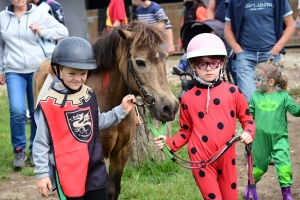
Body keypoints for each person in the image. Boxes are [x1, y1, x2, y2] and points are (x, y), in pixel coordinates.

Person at [33, 37, 136, 199]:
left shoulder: (88, 95)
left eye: (83, 73)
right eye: (72, 73)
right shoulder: (48, 104)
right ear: (58, 70)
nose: (78, 78)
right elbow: (40, 143)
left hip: (94, 169)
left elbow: (98, 122)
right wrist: (42, 173)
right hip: (67, 173)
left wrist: (121, 110)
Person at [154, 33, 255, 199]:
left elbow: (248, 120)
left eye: (213, 63)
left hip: (227, 158)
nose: (208, 68)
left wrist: (248, 133)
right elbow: (185, 131)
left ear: (221, 63)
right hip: (200, 160)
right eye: (202, 64)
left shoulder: (233, 92)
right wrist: (170, 142)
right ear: (193, 66)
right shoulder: (187, 97)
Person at [0, 0, 68, 170]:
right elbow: (1, 47)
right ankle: (19, 151)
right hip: (13, 70)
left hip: (38, 70)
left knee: (38, 110)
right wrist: (1, 69)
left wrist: (42, 31)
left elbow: (63, 31)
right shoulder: (2, 17)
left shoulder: (39, 13)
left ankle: (35, 151)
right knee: (17, 110)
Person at [244, 56, 300, 200]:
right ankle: (250, 187)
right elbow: (249, 117)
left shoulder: (284, 97)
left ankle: (286, 194)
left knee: (284, 167)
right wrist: (244, 131)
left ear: (270, 82)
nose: (255, 82)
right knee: (259, 168)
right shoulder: (255, 97)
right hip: (260, 141)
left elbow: (295, 111)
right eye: (254, 79)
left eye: (258, 79)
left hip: (279, 138)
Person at [224, 0, 295, 103]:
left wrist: (276, 49)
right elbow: (228, 29)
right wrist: (238, 50)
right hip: (245, 57)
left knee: (273, 100)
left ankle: (271, 119)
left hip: (270, 56)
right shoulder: (235, 2)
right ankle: (256, 119)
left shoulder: (279, 1)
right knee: (250, 99)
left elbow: (290, 25)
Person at [207, 0, 237, 85]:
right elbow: (211, 9)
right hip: (219, 29)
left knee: (234, 64)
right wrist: (212, 26)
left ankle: (238, 90)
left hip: (233, 30)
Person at [173, 0, 207, 73]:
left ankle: (182, 66)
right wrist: (180, 42)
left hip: (198, 43)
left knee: (189, 56)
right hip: (188, 41)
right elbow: (183, 27)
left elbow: (205, 26)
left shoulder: (200, 8)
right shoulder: (187, 9)